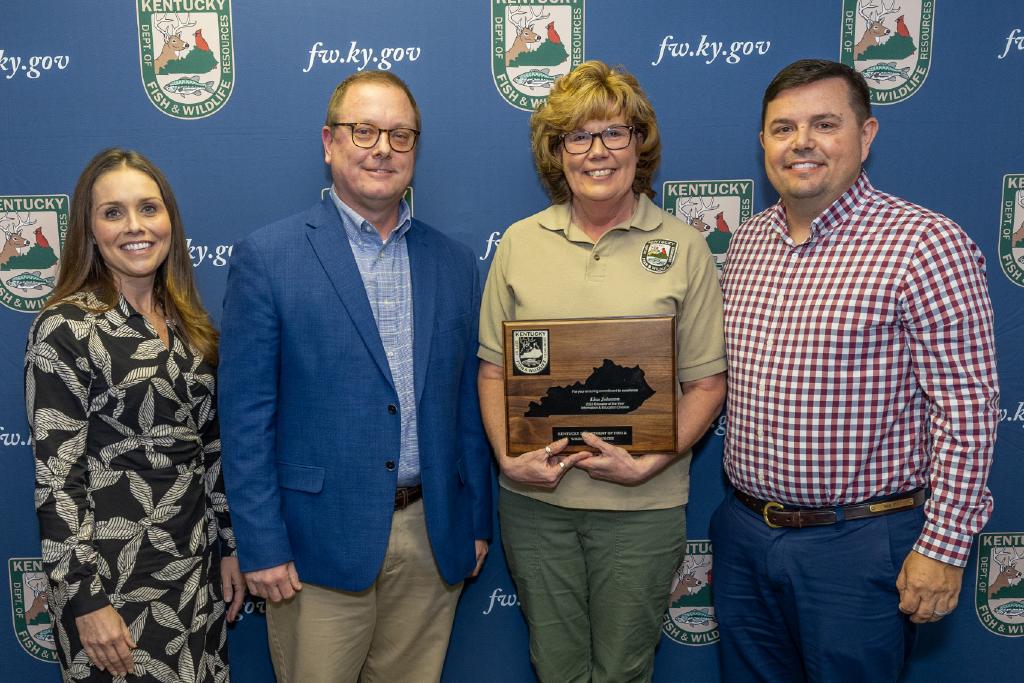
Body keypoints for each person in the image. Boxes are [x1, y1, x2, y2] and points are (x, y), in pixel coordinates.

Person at [713, 58, 999, 682]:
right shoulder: (746, 243)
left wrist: (944, 548)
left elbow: (968, 410)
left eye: (824, 124)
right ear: (763, 142)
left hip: (861, 545)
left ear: (866, 136)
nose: (802, 143)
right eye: (783, 128)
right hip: (744, 534)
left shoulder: (925, 244)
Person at [218, 70, 492, 683]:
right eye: (363, 130)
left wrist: (476, 521)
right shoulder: (269, 257)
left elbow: (466, 408)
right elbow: (244, 419)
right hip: (314, 548)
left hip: (431, 537)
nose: (382, 148)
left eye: (400, 135)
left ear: (416, 149)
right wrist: (261, 543)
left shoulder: (454, 263)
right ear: (329, 142)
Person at [477, 60, 727, 683]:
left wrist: (652, 460)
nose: (597, 152)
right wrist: (509, 458)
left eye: (614, 133)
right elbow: (491, 373)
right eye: (578, 137)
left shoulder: (685, 246)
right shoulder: (519, 243)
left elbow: (706, 384)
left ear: (638, 145)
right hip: (537, 502)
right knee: (556, 667)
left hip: (643, 504)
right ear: (556, 152)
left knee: (624, 670)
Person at [25, 148, 244, 681]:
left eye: (148, 208)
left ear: (169, 218)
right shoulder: (65, 329)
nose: (135, 226)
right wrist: (86, 603)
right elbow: (57, 479)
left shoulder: (189, 324)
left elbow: (210, 449)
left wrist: (231, 547)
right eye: (113, 212)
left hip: (195, 575)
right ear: (89, 229)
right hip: (113, 589)